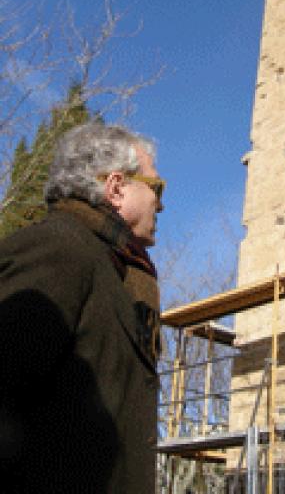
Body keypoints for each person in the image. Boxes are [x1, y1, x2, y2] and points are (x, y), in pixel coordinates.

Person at [0, 122, 165, 493]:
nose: (161, 203)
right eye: (156, 187)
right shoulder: (59, 249)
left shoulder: (115, 271)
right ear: (116, 188)